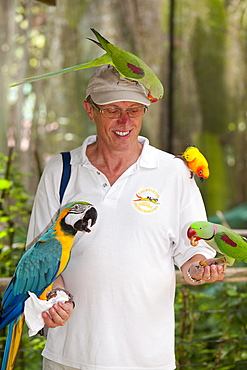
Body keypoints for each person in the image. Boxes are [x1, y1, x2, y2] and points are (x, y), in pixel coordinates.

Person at [26, 65, 225, 370]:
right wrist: (55, 297)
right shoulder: (61, 171)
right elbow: (40, 260)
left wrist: (202, 268)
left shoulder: (173, 172)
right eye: (112, 110)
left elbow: (193, 253)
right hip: (70, 357)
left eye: (134, 110)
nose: (125, 121)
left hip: (148, 359)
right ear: (90, 110)